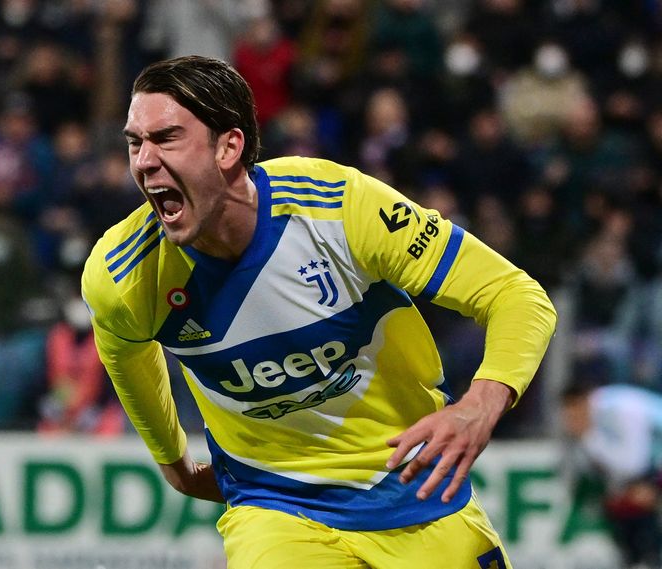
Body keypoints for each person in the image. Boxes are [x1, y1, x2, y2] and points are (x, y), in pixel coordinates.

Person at [81, 55, 557, 568]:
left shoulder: (335, 206)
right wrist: (174, 463)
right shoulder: (124, 274)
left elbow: (516, 295)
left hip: (416, 488)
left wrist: (478, 405)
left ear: (229, 146)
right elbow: (125, 354)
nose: (144, 161)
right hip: (277, 507)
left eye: (167, 138)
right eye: (135, 142)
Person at [561, 383, 662, 569]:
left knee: (636, 504)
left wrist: (588, 437)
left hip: (649, 468)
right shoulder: (598, 417)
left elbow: (633, 463)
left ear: (585, 402)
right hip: (649, 467)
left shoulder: (622, 409)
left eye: (574, 414)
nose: (571, 421)